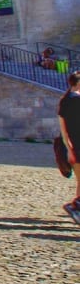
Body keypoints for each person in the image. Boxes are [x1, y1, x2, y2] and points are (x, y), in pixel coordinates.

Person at [57, 72, 80, 225]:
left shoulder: (64, 100)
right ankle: (75, 207)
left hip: (74, 145)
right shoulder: (76, 99)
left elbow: (63, 129)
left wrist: (68, 148)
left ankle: (76, 207)